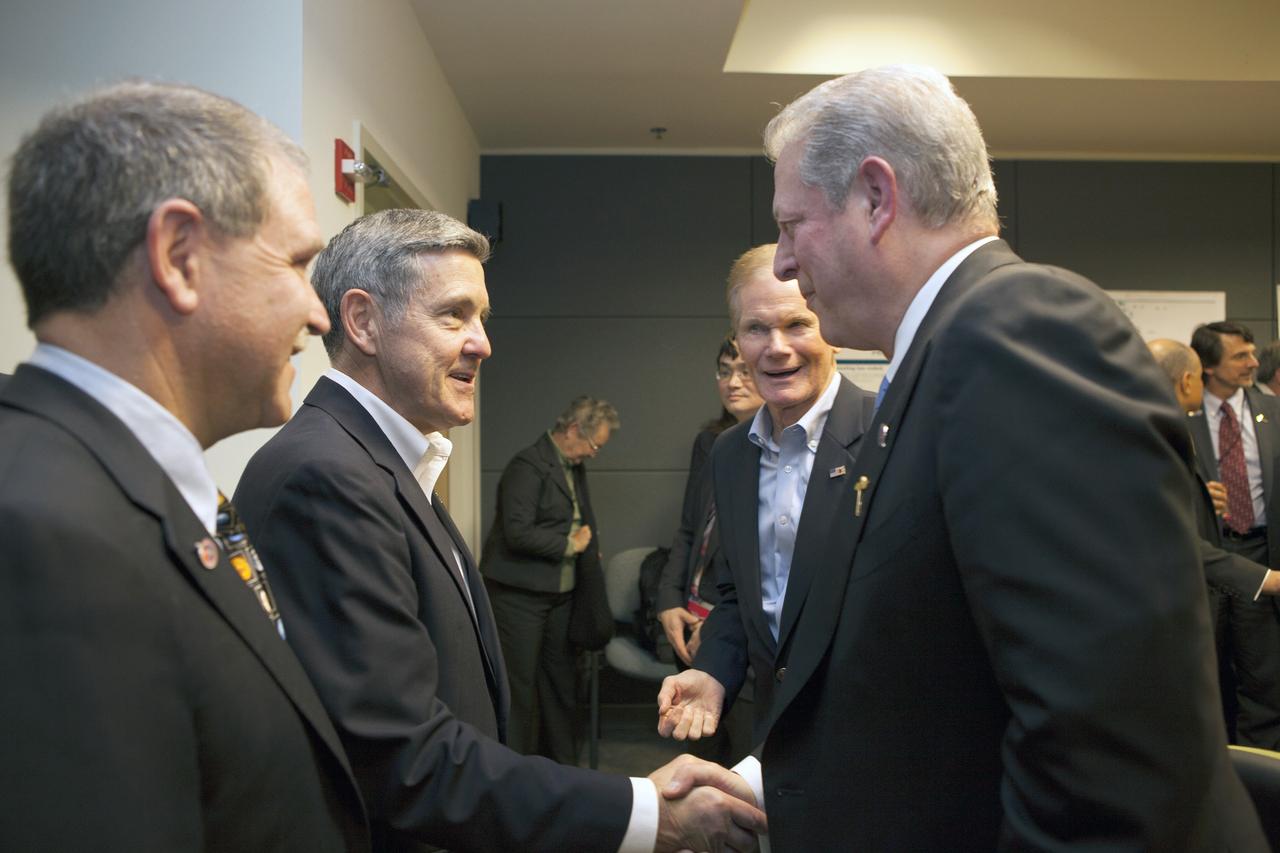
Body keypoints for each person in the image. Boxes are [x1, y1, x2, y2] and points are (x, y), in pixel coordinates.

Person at [660, 65, 1265, 850]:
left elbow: (1105, 759)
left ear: (876, 197)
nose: (780, 262)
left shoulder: (1017, 330)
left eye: (790, 224)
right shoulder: (942, 357)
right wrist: (766, 781)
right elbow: (941, 677)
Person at [236, 209, 764, 853]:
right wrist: (648, 812)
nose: (482, 342)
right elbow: (403, 761)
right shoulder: (325, 475)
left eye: (481, 317)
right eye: (454, 315)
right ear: (363, 321)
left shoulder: (384, 461)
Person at [0, 82, 369, 850]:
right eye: (297, 264)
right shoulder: (42, 530)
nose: (318, 312)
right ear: (178, 256)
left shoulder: (122, 485)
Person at [662, 242, 876, 752]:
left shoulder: (888, 434)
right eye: (756, 329)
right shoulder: (730, 454)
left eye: (797, 324)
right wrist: (714, 673)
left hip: (875, 738)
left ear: (833, 329)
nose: (776, 346)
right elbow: (739, 597)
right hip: (772, 732)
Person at [481, 396, 620, 765]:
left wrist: (585, 552)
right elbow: (516, 532)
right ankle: (514, 770)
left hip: (559, 597)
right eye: (594, 445)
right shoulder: (527, 465)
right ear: (574, 430)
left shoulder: (572, 466)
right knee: (520, 689)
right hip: (519, 598)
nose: (594, 454)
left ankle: (561, 768)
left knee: (560, 685)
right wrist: (569, 545)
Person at [655, 334, 763, 764]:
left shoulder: (784, 449)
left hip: (739, 628)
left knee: (740, 764)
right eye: (724, 371)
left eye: (743, 369)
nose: (733, 382)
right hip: (691, 618)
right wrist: (668, 601)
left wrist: (720, 621)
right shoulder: (713, 444)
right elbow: (689, 528)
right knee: (699, 754)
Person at [1189, 321, 1280, 749]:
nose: (1253, 363)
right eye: (1240, 356)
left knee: (1264, 681)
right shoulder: (1177, 416)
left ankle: (1260, 783)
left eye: (1252, 353)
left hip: (1262, 556)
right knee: (1204, 677)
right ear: (1207, 366)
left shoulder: (1274, 412)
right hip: (1203, 559)